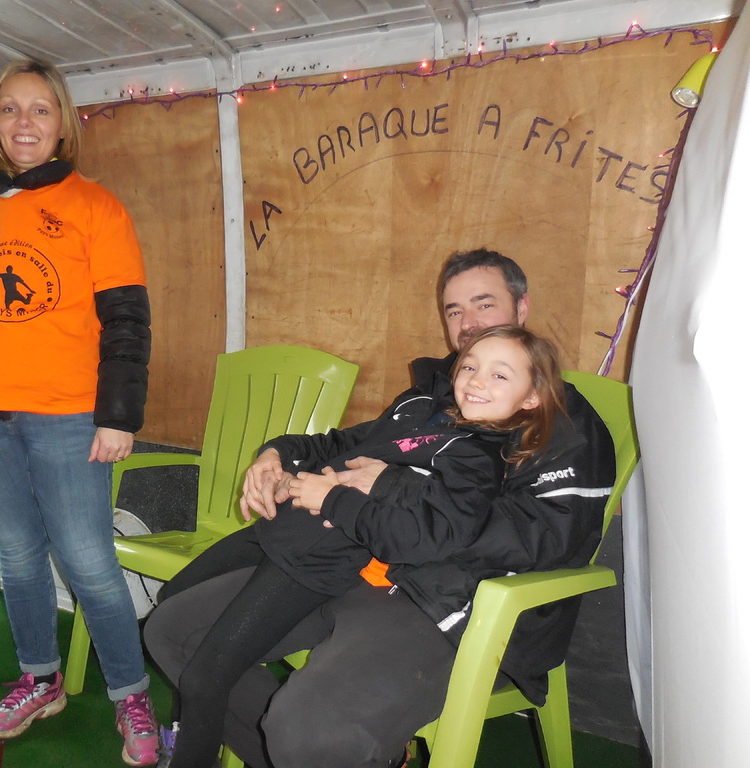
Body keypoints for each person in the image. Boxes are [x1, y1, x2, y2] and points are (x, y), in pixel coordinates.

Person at [144, 248, 616, 768]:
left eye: (484, 304)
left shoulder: (564, 425)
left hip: (447, 601)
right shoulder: (433, 398)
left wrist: (389, 488)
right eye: (454, 310)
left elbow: (544, 539)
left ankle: (315, 752)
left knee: (306, 729)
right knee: (174, 632)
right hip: (354, 559)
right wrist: (276, 456)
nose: (467, 323)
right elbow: (347, 445)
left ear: (522, 308)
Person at [0, 59, 159, 767]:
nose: (24, 123)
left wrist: (119, 415)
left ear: (62, 123)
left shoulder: (97, 207)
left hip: (67, 414)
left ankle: (130, 692)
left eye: (40, 110)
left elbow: (127, 321)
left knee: (88, 561)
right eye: (10, 109)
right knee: (15, 554)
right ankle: (40, 680)